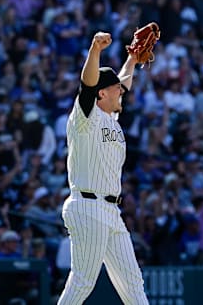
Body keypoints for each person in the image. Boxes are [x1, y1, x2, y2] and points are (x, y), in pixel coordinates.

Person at [58, 31, 148, 305]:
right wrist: (95, 49)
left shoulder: (112, 115)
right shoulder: (86, 116)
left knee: (133, 283)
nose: (121, 90)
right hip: (87, 205)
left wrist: (132, 59)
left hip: (111, 210)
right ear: (101, 93)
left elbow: (123, 83)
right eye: (115, 88)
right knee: (83, 280)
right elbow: (87, 85)